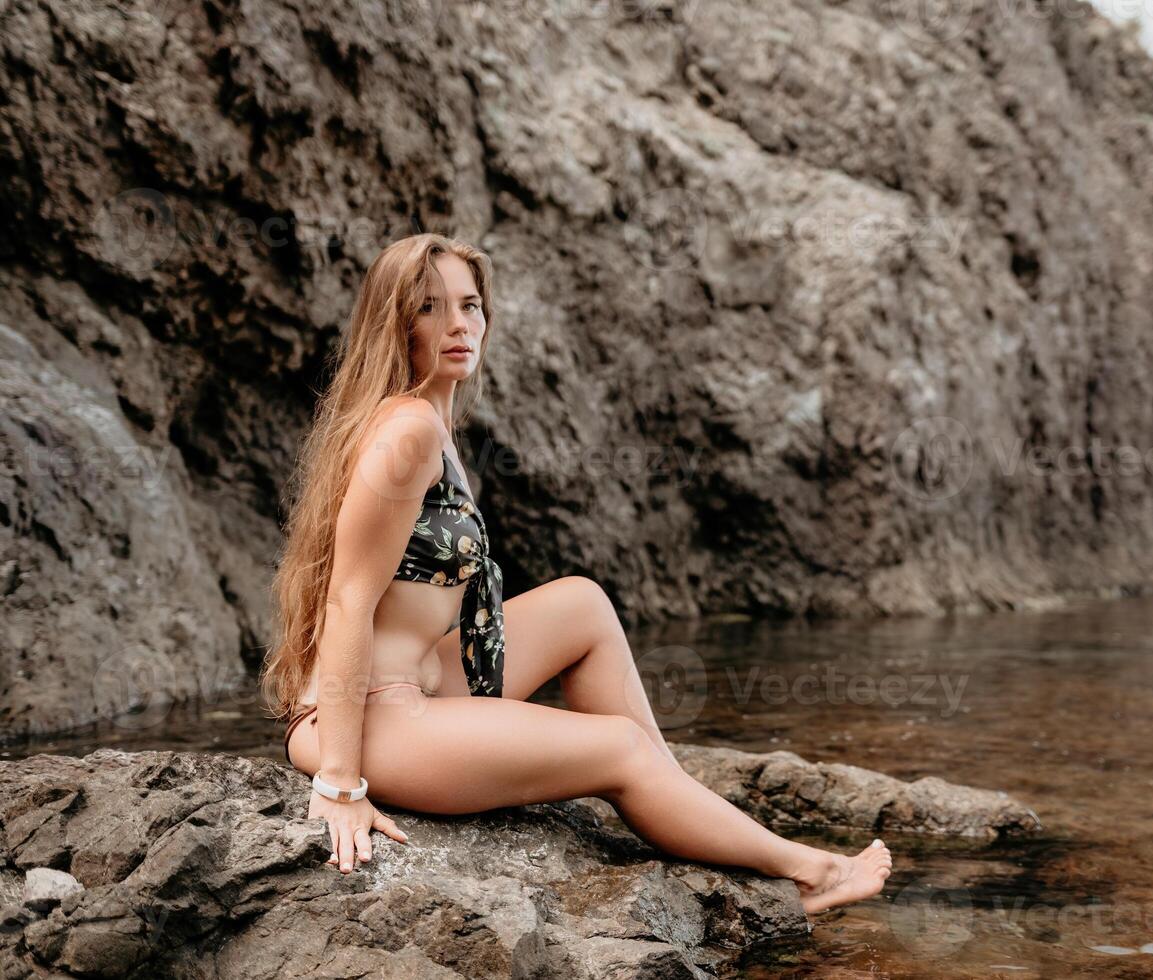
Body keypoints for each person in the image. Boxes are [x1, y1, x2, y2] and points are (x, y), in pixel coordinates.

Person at [259, 232, 891, 915]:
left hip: (430, 678)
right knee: (617, 745)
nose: (458, 325)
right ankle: (808, 873)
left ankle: (676, 799)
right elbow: (348, 601)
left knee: (582, 604)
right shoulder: (406, 430)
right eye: (430, 308)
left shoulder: (430, 421)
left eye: (470, 306)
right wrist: (342, 784)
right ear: (395, 322)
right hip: (369, 716)